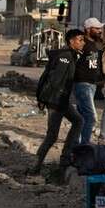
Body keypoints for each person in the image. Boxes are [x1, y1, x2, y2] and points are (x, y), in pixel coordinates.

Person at [30, 29, 86, 178]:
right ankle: (37, 166)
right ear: (71, 41)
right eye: (80, 40)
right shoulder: (66, 57)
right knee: (52, 136)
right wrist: (44, 100)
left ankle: (64, 159)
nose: (82, 42)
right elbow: (54, 80)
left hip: (61, 100)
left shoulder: (70, 55)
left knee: (78, 121)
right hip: (56, 101)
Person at [74, 18, 105, 145]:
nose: (100, 31)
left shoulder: (94, 44)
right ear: (88, 29)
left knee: (82, 117)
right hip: (83, 84)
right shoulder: (83, 43)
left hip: (91, 85)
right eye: (96, 28)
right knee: (91, 117)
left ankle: (77, 143)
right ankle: (84, 146)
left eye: (100, 28)